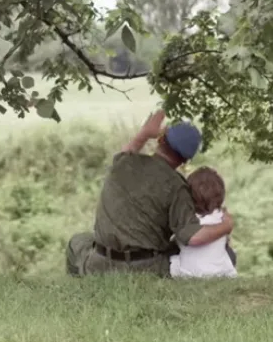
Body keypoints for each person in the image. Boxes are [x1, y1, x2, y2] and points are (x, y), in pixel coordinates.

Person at [65, 109, 235, 277]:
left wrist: (145, 133)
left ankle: (80, 288)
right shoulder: (177, 187)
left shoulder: (124, 162)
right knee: (224, 253)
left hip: (100, 264)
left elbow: (128, 150)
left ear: (161, 140)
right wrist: (226, 226)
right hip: (145, 269)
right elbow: (192, 237)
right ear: (185, 160)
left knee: (77, 242)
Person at [168, 167, 238, 278]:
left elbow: (177, 239)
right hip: (219, 273)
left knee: (173, 259)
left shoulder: (186, 220)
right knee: (227, 252)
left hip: (189, 274)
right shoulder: (222, 218)